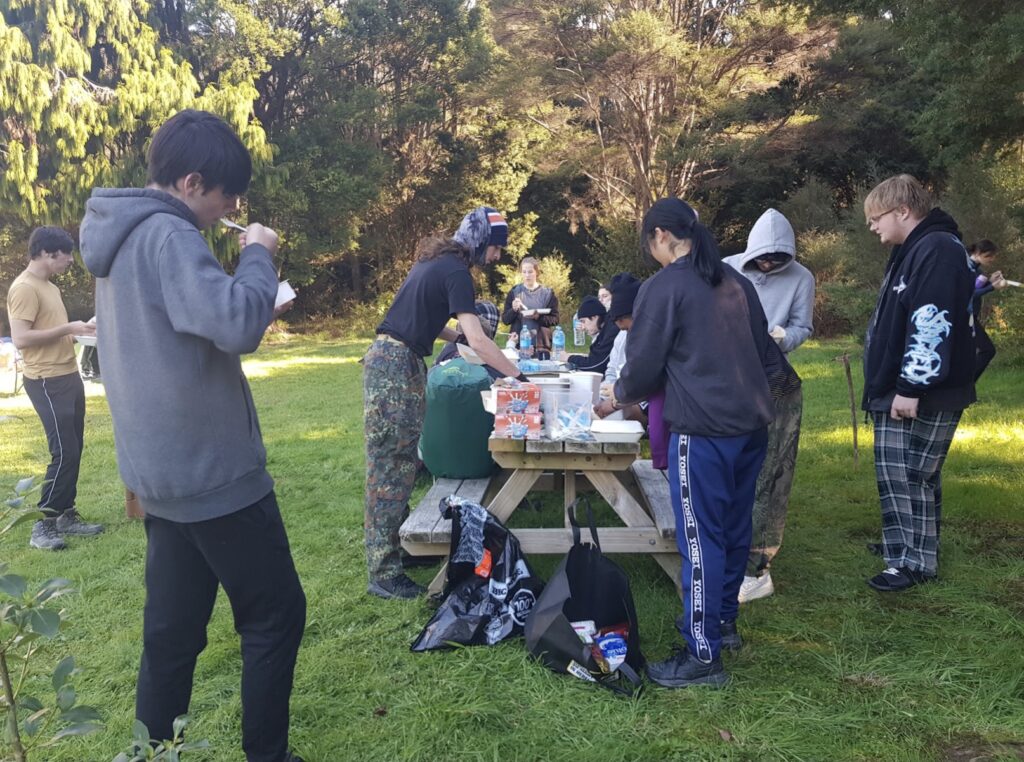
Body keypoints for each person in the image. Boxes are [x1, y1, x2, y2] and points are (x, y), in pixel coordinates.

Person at [79, 109, 305, 762]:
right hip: (214, 477)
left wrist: (249, 290)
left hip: (159, 476)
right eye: (227, 195)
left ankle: (153, 753)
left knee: (172, 634)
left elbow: (184, 332)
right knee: (275, 614)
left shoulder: (118, 238)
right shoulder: (170, 235)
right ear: (191, 182)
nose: (231, 208)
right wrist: (257, 254)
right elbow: (236, 324)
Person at [602, 197, 774, 689]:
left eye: (649, 244)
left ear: (661, 235)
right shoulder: (735, 281)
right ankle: (723, 625)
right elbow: (763, 348)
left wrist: (616, 395)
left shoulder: (664, 287)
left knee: (701, 540)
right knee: (734, 529)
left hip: (702, 430)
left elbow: (642, 366)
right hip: (751, 424)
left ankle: (702, 655)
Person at [364, 207, 522, 600]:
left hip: (396, 361)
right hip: (395, 365)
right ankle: (383, 573)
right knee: (391, 465)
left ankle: (396, 550)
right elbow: (481, 340)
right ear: (480, 240)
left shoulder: (439, 262)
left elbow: (433, 323)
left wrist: (460, 339)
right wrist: (518, 378)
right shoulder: (456, 271)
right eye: (496, 247)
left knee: (400, 460)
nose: (496, 256)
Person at [861, 174, 976, 592]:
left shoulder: (937, 249)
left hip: (921, 389)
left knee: (910, 473)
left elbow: (932, 321)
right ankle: (904, 542)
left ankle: (913, 563)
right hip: (902, 384)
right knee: (904, 471)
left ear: (903, 211)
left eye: (876, 217)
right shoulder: (916, 248)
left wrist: (910, 386)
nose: (872, 226)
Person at [723, 209, 814, 603]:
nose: (768, 264)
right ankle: (724, 552)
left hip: (773, 380)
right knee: (727, 469)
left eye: (777, 259)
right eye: (763, 257)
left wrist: (783, 338)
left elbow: (803, 326)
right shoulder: (728, 268)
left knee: (768, 474)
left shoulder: (802, 278)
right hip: (727, 380)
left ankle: (756, 567)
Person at [6, 226, 104, 551]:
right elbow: (21, 338)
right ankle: (43, 525)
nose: (71, 260)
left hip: (68, 375)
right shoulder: (24, 288)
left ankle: (66, 516)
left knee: (74, 448)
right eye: (67, 254)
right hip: (46, 381)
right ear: (48, 253)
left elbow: (52, 332)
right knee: (64, 452)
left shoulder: (49, 287)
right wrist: (67, 328)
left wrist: (79, 332)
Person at [501, 257, 560, 359]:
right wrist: (514, 310)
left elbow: (555, 319)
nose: (527, 275)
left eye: (530, 272)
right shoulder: (514, 292)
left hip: (541, 346)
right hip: (519, 345)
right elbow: (505, 320)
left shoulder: (548, 294)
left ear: (537, 272)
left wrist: (538, 317)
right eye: (524, 272)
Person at [966, 239, 1007, 380]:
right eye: (989, 255)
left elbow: (976, 289)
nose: (992, 259)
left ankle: (965, 386)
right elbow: (968, 294)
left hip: (971, 317)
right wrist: (992, 287)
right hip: (963, 317)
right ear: (978, 252)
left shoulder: (977, 270)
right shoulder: (966, 268)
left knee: (968, 353)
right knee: (987, 350)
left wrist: (990, 281)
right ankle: (967, 384)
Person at [565, 295, 618, 373]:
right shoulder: (605, 329)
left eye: (583, 321)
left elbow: (595, 365)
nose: (583, 327)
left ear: (594, 317)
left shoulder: (612, 330)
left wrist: (569, 358)